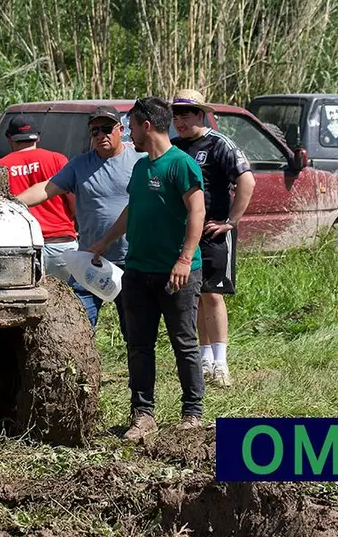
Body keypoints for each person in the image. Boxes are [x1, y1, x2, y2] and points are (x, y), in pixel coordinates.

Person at [88, 96, 206, 439]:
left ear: (147, 126)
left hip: (176, 271)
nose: (129, 133)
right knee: (138, 345)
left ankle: (192, 414)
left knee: (183, 342)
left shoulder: (181, 164)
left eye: (132, 126)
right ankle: (143, 415)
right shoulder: (140, 167)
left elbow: (197, 212)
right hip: (137, 272)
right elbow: (132, 210)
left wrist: (184, 259)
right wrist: (104, 241)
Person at [15, 106, 144, 328]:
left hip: (130, 259)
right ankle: (77, 363)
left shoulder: (140, 161)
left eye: (107, 129)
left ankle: (137, 363)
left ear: (120, 129)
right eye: (95, 131)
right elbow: (47, 188)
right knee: (78, 325)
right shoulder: (79, 164)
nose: (101, 135)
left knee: (135, 332)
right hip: (91, 259)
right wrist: (13, 204)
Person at [171, 88, 256, 388]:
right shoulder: (175, 146)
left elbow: (247, 180)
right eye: (175, 114)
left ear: (200, 114)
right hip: (186, 234)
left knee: (213, 294)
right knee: (195, 295)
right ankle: (205, 359)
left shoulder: (219, 144)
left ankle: (221, 363)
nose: (179, 120)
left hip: (214, 231)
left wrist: (230, 221)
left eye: (185, 113)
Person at [0, 115, 79, 281]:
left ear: (9, 138)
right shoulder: (58, 160)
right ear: (38, 136)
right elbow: (74, 201)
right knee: (65, 302)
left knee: (26, 301)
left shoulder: (0, 167)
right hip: (61, 245)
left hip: (22, 246)